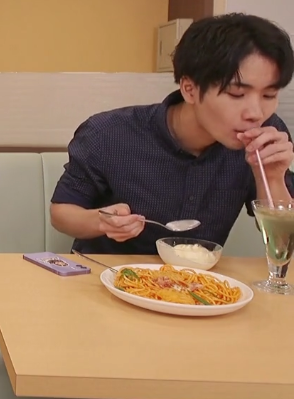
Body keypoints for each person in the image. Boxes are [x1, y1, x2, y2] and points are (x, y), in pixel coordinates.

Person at [50, 13, 294, 258]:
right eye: (236, 94)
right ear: (189, 89)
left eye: (269, 95)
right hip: (105, 273)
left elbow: (282, 243)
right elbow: (61, 213)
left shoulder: (268, 136)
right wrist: (101, 222)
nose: (255, 113)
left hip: (199, 279)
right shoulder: (109, 133)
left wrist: (273, 178)